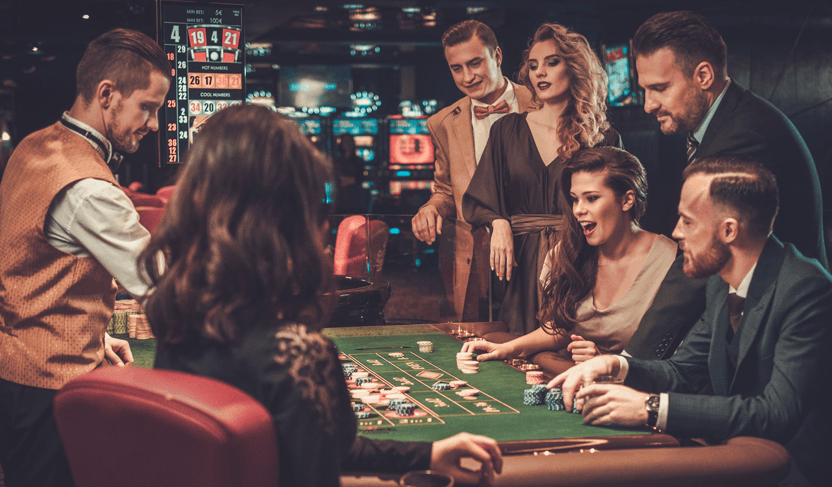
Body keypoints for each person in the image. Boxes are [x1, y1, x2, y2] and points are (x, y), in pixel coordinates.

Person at [140, 105, 503, 487]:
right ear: (288, 219)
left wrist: (427, 455)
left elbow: (308, 444)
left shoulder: (176, 323)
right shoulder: (299, 356)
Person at [551, 155, 832, 487]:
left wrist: (649, 407)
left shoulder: (806, 290)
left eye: (687, 221)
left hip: (794, 473)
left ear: (729, 230)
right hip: (731, 459)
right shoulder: (718, 283)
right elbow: (681, 371)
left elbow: (775, 414)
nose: (675, 232)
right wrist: (616, 366)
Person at [0, 28, 170, 487]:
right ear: (107, 94)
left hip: (16, 374)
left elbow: (29, 268)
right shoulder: (89, 188)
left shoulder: (33, 145)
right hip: (49, 389)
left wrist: (93, 340)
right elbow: (167, 291)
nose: (153, 124)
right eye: (148, 107)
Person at [633, 10, 827, 269]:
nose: (648, 105)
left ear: (703, 76)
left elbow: (708, 257)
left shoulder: (743, 139)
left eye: (659, 88)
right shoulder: (716, 122)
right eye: (644, 90)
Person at [463, 23, 622, 334]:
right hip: (519, 264)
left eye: (552, 62)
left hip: (580, 259)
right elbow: (480, 197)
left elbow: (620, 210)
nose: (540, 73)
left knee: (571, 351)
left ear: (574, 67)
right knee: (518, 356)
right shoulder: (507, 130)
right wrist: (499, 223)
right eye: (533, 66)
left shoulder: (603, 137)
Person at [462, 147, 676, 374]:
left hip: (634, 386)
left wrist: (606, 360)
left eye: (591, 198)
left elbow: (674, 361)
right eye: (575, 200)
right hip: (574, 376)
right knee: (494, 337)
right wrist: (506, 349)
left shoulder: (669, 261)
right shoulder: (567, 252)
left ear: (627, 200)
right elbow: (558, 330)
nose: (578, 210)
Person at [411, 20, 538, 321]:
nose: (467, 77)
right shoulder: (442, 122)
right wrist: (431, 208)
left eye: (475, 63)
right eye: (457, 68)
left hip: (535, 244)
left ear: (497, 56)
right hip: (476, 253)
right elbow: (444, 189)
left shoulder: (540, 103)